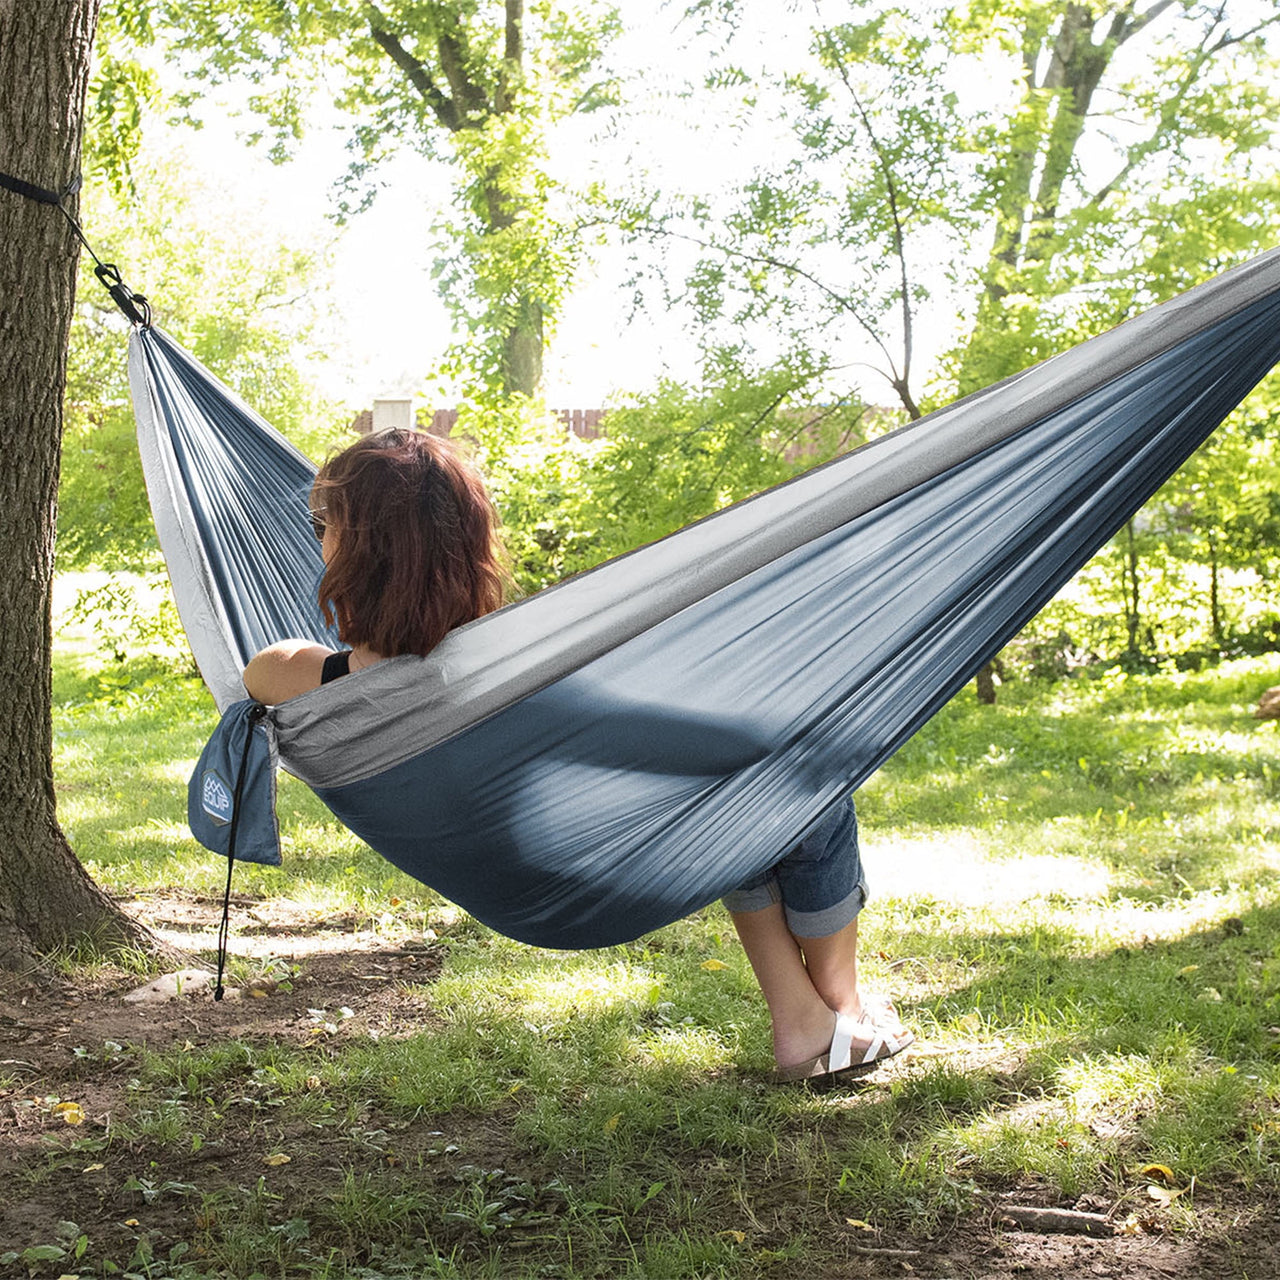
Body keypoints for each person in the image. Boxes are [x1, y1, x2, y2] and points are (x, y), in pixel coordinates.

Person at [244, 428, 913, 1084]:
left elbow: (262, 670)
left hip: (513, 883)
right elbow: (721, 750)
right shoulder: (522, 679)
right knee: (791, 793)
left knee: (745, 808)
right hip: (581, 880)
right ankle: (842, 1009)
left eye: (321, 527)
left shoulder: (315, 682)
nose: (317, 540)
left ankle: (806, 1021)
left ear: (358, 552)